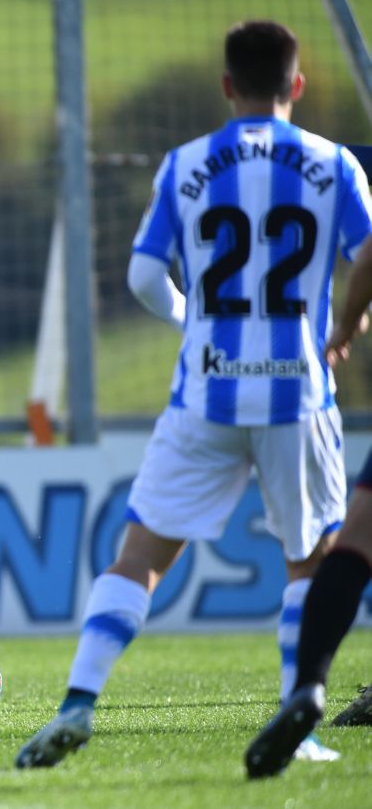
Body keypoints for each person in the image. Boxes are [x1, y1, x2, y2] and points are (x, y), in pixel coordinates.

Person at [15, 20, 372, 769]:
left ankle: (79, 702)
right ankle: (294, 720)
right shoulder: (333, 163)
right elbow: (369, 252)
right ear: (296, 86)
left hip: (205, 392)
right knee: (309, 561)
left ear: (225, 86)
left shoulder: (186, 163)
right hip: (297, 395)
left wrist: (193, 319)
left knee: (141, 554)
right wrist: (346, 322)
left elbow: (145, 277)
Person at [244, 142, 372, 778]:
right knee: (343, 538)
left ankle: (307, 692)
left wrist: (345, 327)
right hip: (292, 391)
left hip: (243, 381)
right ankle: (305, 698)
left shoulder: (338, 162)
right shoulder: (346, 164)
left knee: (348, 538)